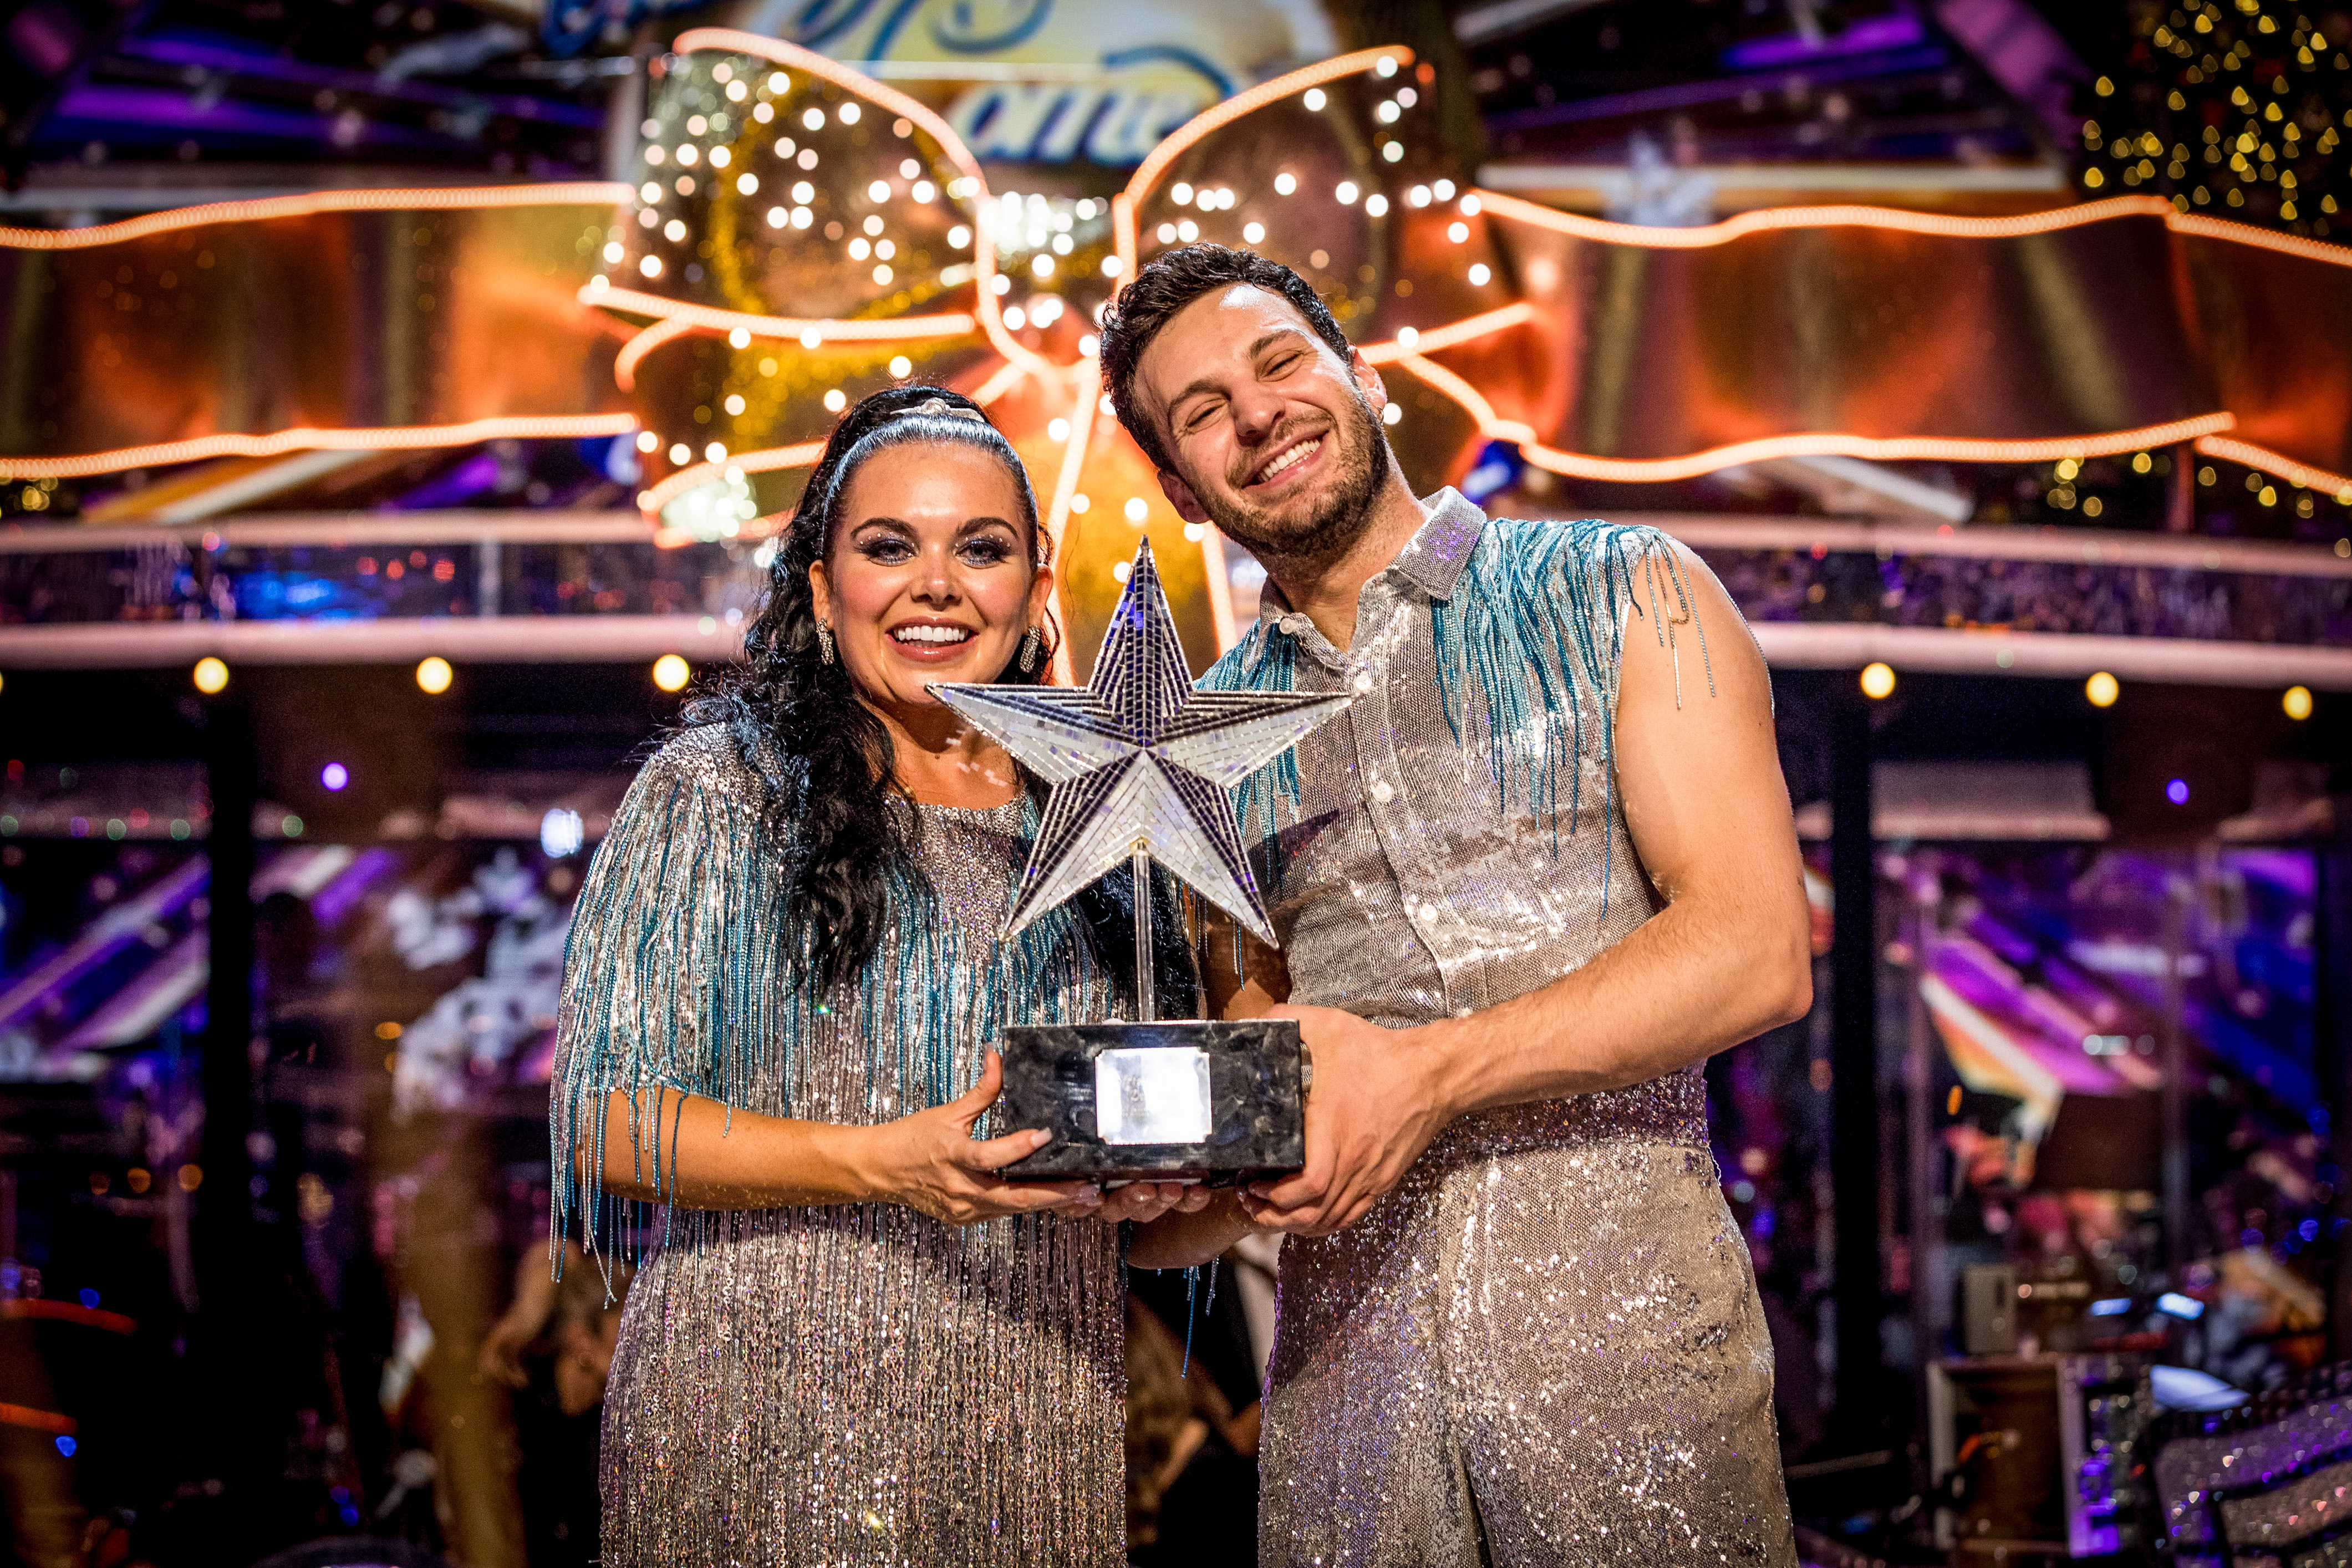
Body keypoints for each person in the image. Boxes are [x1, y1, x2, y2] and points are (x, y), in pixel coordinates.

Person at [1102, 247, 1814, 1566]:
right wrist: (1135, 1191)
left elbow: (1756, 951)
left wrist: (1423, 1075)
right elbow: (1259, 1096)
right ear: (1176, 482)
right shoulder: (1202, 743)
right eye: (1202, 411)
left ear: (1361, 375)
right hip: (1347, 1409)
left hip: (1632, 1372)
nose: (1256, 414)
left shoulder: (1624, 584)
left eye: (1279, 362)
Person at [549, 386, 1205, 1567]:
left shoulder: (1119, 828)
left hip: (1038, 1427)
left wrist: (1156, 1199)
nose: (937, 584)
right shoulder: (718, 796)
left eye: (983, 548)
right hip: (756, 1433)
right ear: (820, 589)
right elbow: (604, 1118)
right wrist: (881, 1163)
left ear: (1037, 589)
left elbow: (1145, 1180)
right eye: (889, 546)